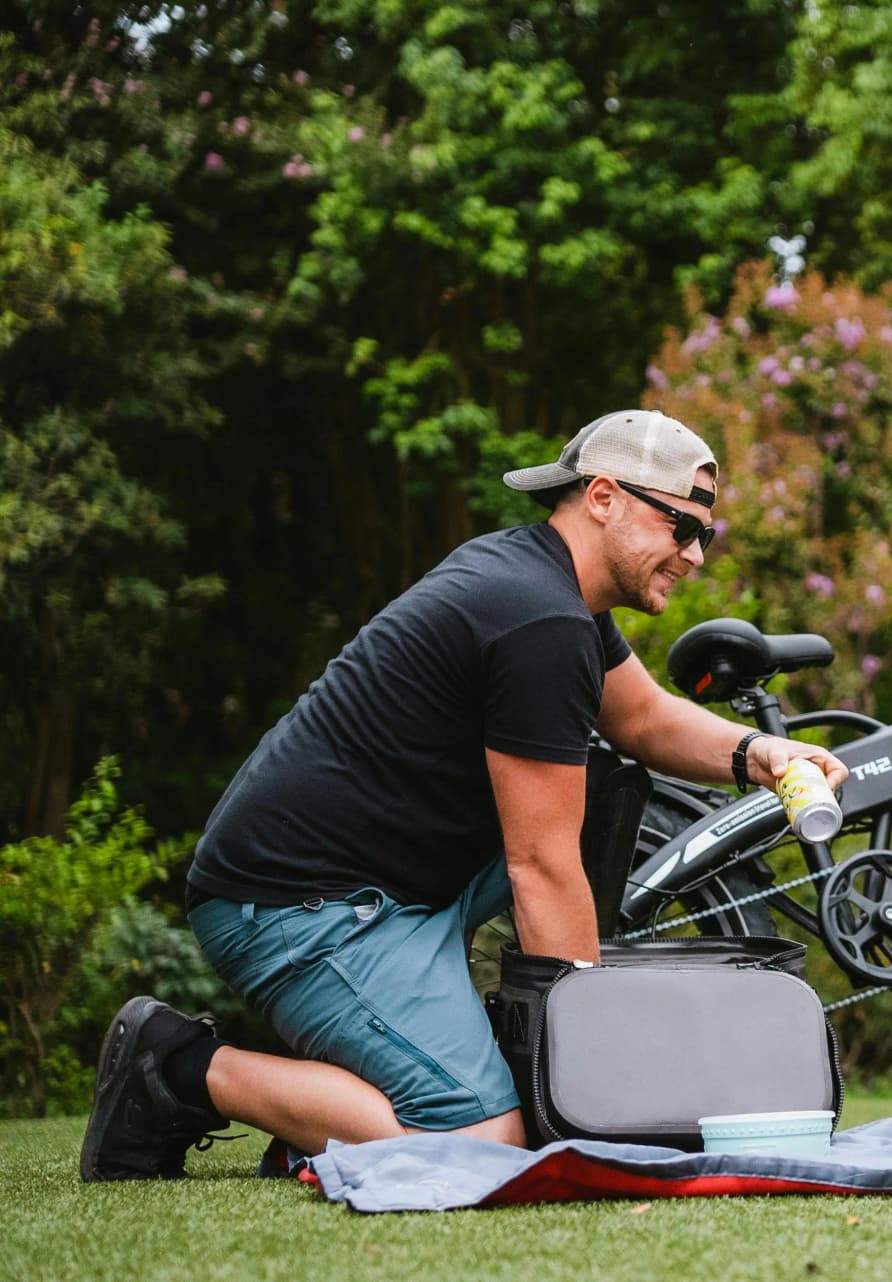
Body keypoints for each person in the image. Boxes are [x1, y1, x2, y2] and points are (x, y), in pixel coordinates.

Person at [81, 410, 848, 1182]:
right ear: (603, 497)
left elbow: (643, 717)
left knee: (598, 795)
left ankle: (351, 1104)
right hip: (299, 906)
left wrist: (760, 753)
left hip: (401, 889)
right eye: (680, 526)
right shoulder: (538, 618)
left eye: (704, 536)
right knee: (488, 1142)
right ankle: (176, 1067)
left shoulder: (552, 591)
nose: (694, 555)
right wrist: (593, 1064)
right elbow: (541, 867)